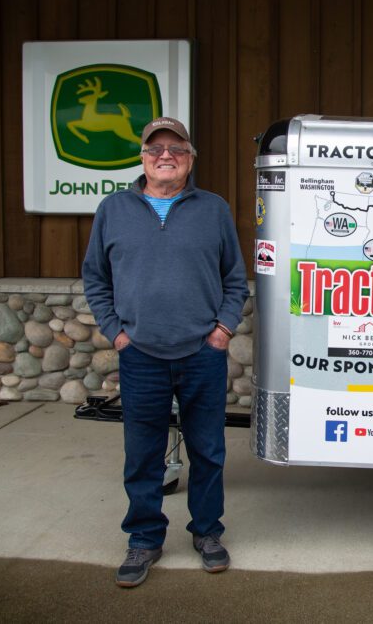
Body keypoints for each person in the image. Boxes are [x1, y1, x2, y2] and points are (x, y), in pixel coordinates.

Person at [82, 116, 249, 588]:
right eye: (156, 149)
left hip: (202, 353)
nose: (165, 156)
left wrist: (222, 330)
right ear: (142, 158)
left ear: (190, 159)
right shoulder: (113, 209)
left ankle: (207, 532)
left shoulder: (213, 209)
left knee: (209, 451)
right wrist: (116, 332)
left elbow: (234, 279)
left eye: (176, 148)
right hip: (141, 356)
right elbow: (96, 278)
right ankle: (144, 538)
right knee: (143, 454)